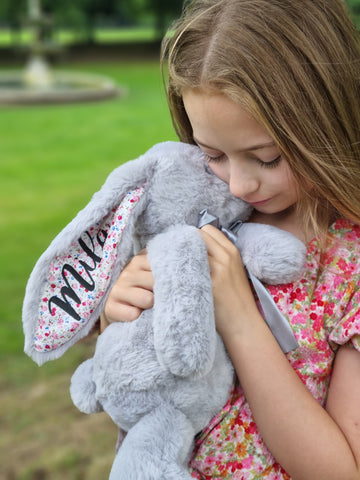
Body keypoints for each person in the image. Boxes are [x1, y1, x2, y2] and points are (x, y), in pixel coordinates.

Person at [101, 0, 360, 478]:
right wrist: (122, 309)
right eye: (213, 153)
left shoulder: (349, 268)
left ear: (326, 124)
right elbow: (142, 374)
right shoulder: (202, 210)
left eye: (266, 158)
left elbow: (340, 470)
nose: (239, 185)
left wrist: (240, 320)